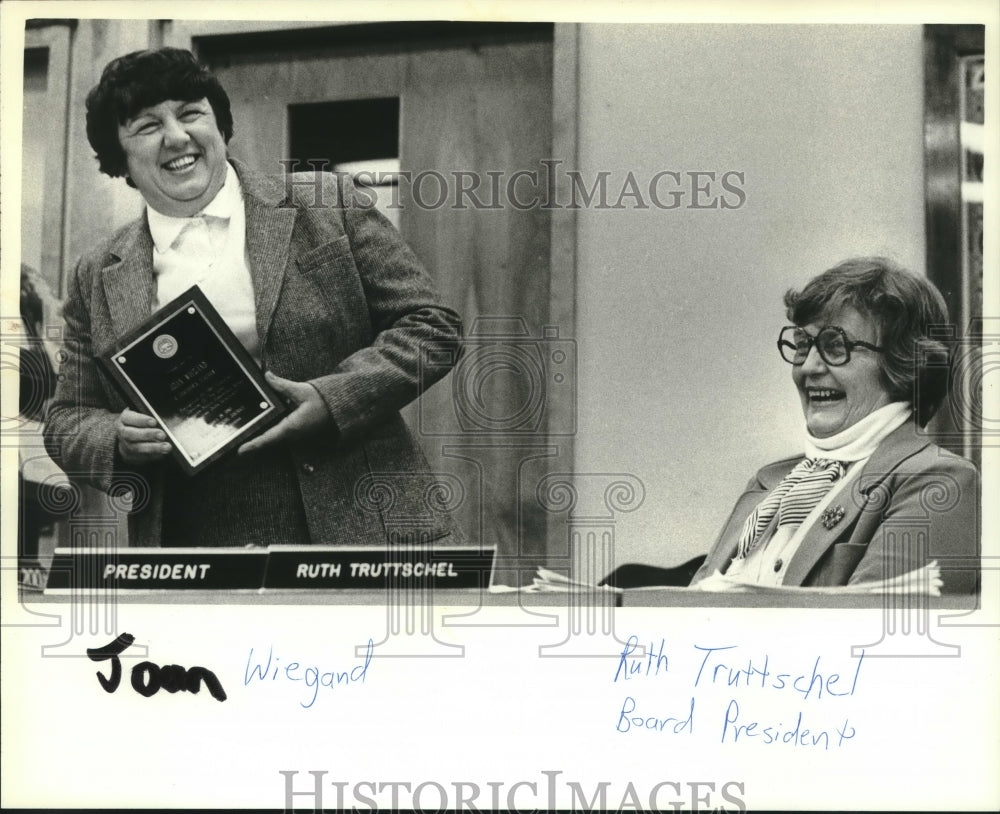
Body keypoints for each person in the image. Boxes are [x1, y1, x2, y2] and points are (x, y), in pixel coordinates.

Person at [43, 48, 463, 548]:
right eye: (147, 125)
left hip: (366, 524)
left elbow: (432, 325)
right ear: (121, 158)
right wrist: (117, 438)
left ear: (220, 125)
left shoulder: (326, 203)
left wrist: (333, 399)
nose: (177, 136)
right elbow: (68, 418)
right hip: (198, 541)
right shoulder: (98, 272)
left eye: (191, 112)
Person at [689, 257, 978, 593]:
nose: (808, 367)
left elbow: (869, 638)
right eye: (802, 345)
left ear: (904, 365)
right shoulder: (769, 480)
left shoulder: (939, 481)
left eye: (835, 346)